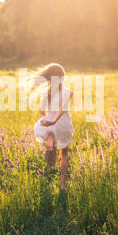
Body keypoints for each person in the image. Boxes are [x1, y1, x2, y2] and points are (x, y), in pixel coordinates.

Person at [31, 63, 73, 191]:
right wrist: (55, 120)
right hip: (63, 122)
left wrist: (49, 118)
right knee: (64, 153)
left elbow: (41, 111)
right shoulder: (68, 92)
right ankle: (62, 184)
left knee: (50, 150)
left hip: (50, 122)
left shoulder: (46, 93)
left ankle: (49, 176)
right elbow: (62, 109)